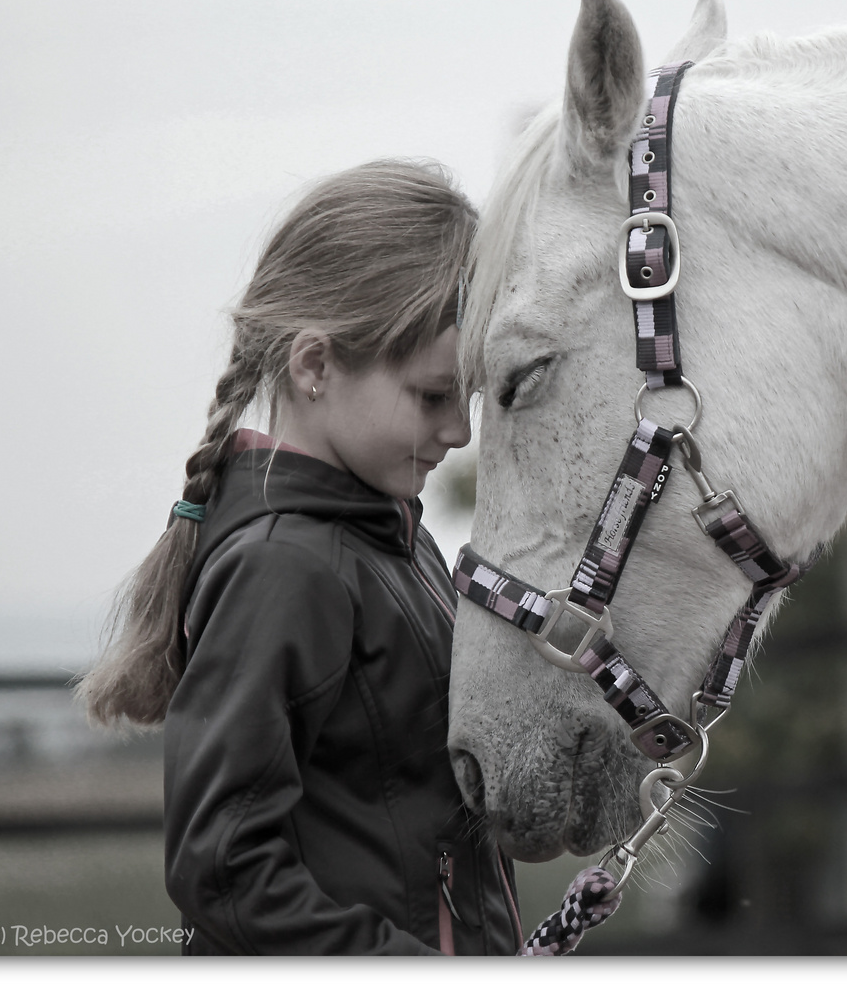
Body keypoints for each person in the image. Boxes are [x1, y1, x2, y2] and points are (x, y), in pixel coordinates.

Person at [78, 159, 522, 955]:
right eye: (432, 395)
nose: (461, 432)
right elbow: (224, 869)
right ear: (315, 365)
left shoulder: (399, 540)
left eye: (471, 397)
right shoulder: (285, 568)